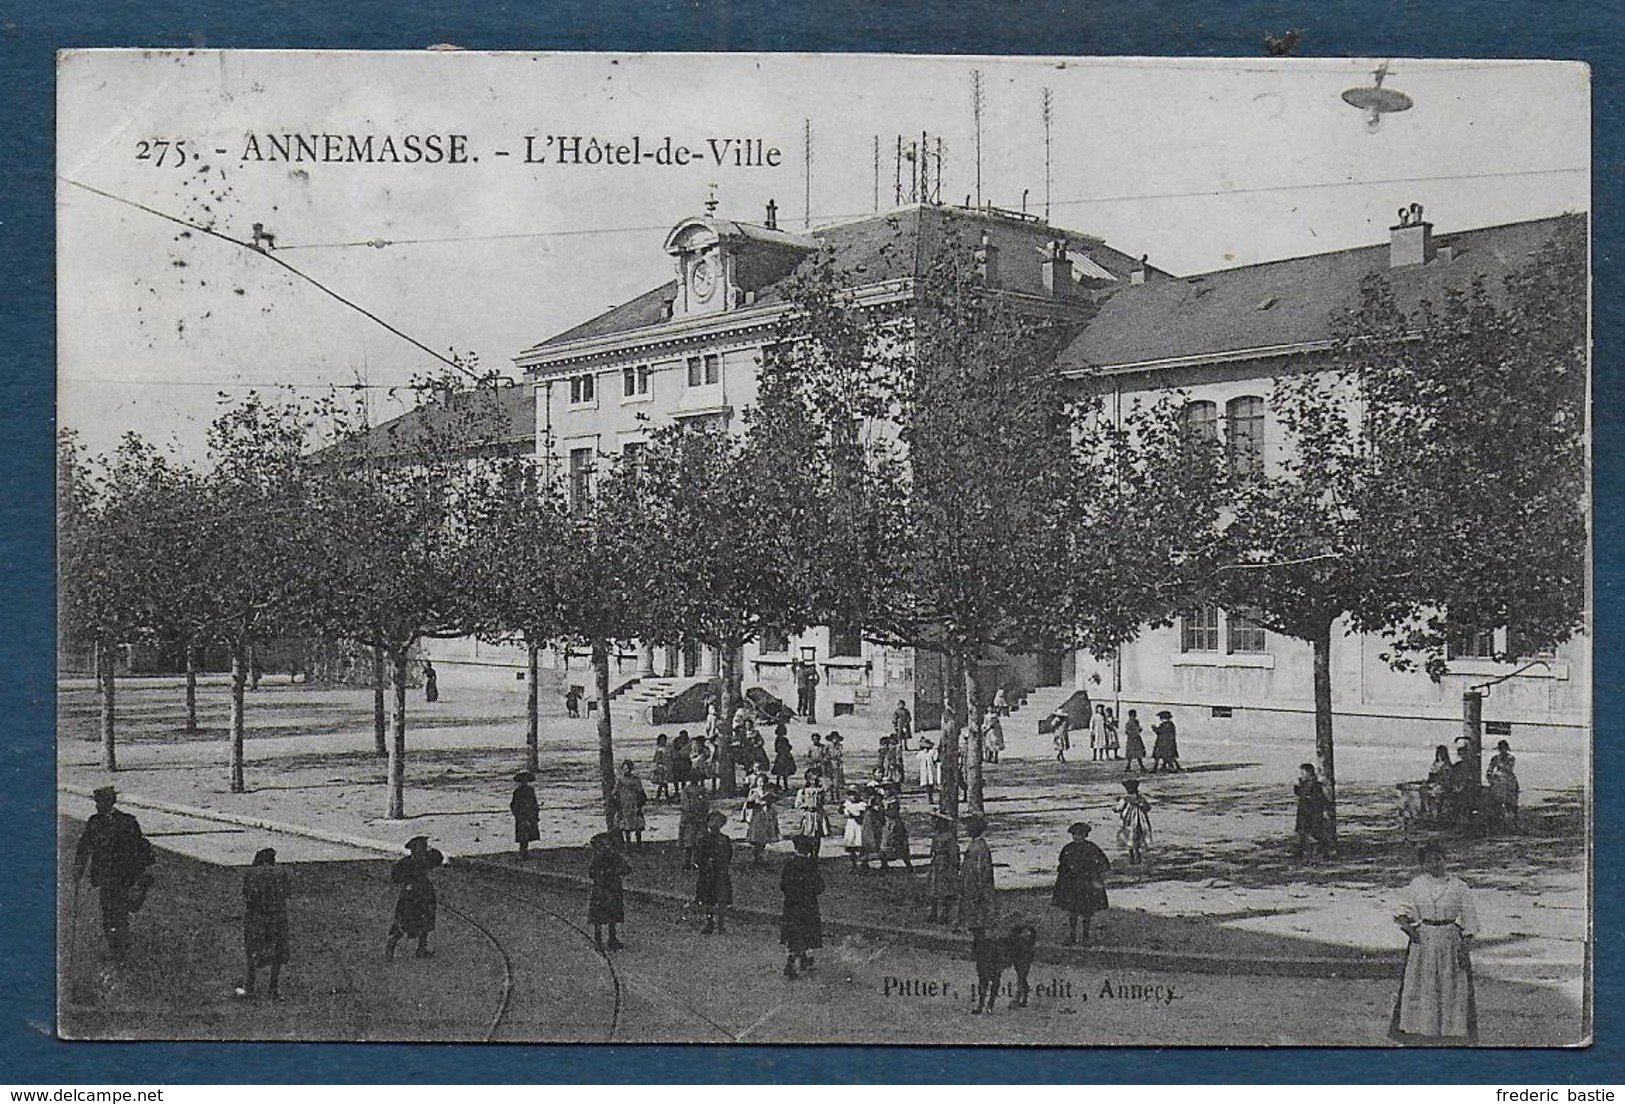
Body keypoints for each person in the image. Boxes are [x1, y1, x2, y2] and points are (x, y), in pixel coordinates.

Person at [1390, 843, 1479, 1044]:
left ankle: (1450, 1029)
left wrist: (1465, 944)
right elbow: (1401, 911)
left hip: (1450, 938)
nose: (1435, 864)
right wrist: (1412, 932)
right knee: (1423, 982)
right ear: (1422, 864)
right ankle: (1421, 1028)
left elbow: (1470, 917)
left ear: (1445, 860)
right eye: (1429, 860)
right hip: (1425, 938)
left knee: (1451, 983)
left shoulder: (1458, 886)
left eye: (1439, 858)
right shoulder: (1417, 885)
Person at [72, 786, 155, 963]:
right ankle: (116, 948)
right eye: (97, 803)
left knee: (117, 913)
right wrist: (78, 868)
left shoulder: (127, 822)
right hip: (105, 876)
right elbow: (84, 846)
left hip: (122, 876)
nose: (97, 806)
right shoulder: (94, 822)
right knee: (109, 913)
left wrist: (136, 872)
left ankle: (119, 951)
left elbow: (139, 848)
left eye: (100, 802)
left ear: (108, 802)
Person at [239, 847, 289, 999]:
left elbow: (247, 893)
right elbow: (287, 892)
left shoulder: (252, 873)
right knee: (277, 954)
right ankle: (273, 989)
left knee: (252, 951)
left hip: (256, 916)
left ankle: (249, 987)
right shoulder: (281, 873)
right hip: (277, 917)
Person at [386, 836, 444, 962]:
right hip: (415, 894)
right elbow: (396, 877)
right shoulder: (412, 862)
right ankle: (395, 944)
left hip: (420, 893)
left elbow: (438, 858)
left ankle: (419, 948)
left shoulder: (413, 861)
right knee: (411, 921)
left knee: (424, 921)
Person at [1051, 823, 1111, 946]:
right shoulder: (1068, 848)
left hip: (1086, 885)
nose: (1077, 837)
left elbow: (1104, 862)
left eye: (1080, 834)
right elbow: (1062, 866)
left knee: (1086, 913)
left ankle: (1085, 937)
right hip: (1072, 885)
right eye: (1075, 834)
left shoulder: (1091, 848)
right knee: (1072, 912)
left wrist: (1096, 874)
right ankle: (1072, 936)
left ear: (1085, 835)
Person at [780, 834, 825, 979]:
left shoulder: (789, 864)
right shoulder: (810, 866)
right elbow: (819, 887)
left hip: (791, 905)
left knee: (794, 933)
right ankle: (792, 963)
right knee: (806, 932)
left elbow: (783, 885)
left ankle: (800, 959)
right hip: (808, 905)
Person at [957, 814, 998, 947]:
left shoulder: (980, 847)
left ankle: (980, 948)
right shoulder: (975, 845)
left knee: (978, 920)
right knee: (973, 919)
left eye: (970, 826)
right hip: (970, 886)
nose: (967, 829)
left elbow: (982, 871)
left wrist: (980, 889)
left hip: (976, 888)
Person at [587, 831, 631, 952]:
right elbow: (626, 869)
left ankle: (600, 940)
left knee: (601, 916)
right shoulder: (614, 856)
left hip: (601, 889)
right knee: (611, 913)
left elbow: (591, 873)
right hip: (611, 887)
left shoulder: (598, 857)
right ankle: (609, 939)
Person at [694, 812, 735, 935]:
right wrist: (706, 863)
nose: (715, 825)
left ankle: (721, 925)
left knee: (722, 900)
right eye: (713, 822)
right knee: (708, 901)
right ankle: (709, 923)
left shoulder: (725, 839)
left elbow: (729, 855)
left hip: (721, 874)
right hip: (707, 874)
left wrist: (721, 863)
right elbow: (698, 857)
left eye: (718, 823)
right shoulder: (703, 840)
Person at [1294, 763, 1334, 859]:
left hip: (1309, 812)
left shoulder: (1313, 784)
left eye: (1302, 773)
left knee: (1310, 832)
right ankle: (1304, 851)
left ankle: (1319, 850)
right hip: (1304, 811)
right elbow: (1299, 793)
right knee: (1303, 831)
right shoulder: (1307, 783)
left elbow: (1308, 795)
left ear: (1308, 773)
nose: (1301, 775)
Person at [926, 810, 960, 924]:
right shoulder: (936, 835)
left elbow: (954, 853)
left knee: (944, 890)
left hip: (945, 864)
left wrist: (954, 865)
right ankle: (932, 913)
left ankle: (943, 915)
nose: (934, 823)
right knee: (933, 889)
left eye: (937, 820)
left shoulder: (949, 837)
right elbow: (932, 850)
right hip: (936, 863)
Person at [743, 768, 782, 865]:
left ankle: (760, 853)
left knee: (765, 836)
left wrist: (770, 802)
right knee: (757, 837)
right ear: (756, 782)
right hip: (757, 816)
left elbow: (773, 802)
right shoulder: (754, 791)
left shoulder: (769, 791)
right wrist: (759, 803)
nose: (761, 784)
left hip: (767, 816)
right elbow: (749, 805)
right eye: (760, 782)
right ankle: (757, 855)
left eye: (763, 782)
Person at [1486, 740, 1521, 831]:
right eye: (1501, 749)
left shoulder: (1510, 758)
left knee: (1512, 804)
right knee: (1496, 803)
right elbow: (1489, 770)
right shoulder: (1495, 758)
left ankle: (1515, 825)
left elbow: (1508, 769)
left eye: (1504, 749)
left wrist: (1499, 769)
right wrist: (1491, 779)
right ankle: (1499, 824)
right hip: (1498, 782)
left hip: (1509, 782)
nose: (1502, 751)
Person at [1115, 779, 1153, 865]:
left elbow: (1119, 808)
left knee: (1130, 837)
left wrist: (1115, 809)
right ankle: (1137, 855)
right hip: (1139, 821)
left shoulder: (1125, 799)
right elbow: (1148, 808)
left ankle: (1132, 856)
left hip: (1129, 821)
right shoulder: (1141, 798)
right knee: (1137, 837)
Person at [614, 760, 648, 851]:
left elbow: (641, 791)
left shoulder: (636, 779)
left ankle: (639, 844)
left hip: (634, 803)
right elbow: (616, 793)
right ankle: (628, 845)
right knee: (626, 826)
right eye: (625, 768)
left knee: (637, 825)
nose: (627, 770)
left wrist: (641, 802)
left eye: (628, 768)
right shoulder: (620, 780)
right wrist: (618, 805)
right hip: (624, 803)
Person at [792, 770, 828, 855]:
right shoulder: (803, 791)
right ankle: (809, 852)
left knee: (817, 835)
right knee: (808, 834)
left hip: (818, 815)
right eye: (811, 780)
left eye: (816, 780)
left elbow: (823, 802)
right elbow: (797, 804)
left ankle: (816, 854)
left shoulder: (820, 791)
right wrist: (806, 805)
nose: (813, 782)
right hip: (808, 815)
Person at [678, 777, 710, 867]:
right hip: (694, 819)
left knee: (693, 842)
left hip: (693, 819)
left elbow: (685, 804)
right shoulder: (691, 790)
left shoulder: (689, 790)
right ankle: (689, 863)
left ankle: (693, 862)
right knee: (693, 842)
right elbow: (706, 804)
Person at [878, 796, 913, 875]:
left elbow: (892, 814)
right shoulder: (883, 801)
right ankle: (884, 865)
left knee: (901, 846)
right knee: (884, 846)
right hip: (887, 825)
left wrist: (883, 810)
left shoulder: (893, 802)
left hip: (895, 825)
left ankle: (909, 866)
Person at [510, 770, 540, 859]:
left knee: (527, 833)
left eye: (525, 780)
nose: (524, 782)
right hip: (522, 814)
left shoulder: (530, 790)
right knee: (523, 834)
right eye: (523, 780)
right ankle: (523, 851)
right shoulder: (517, 792)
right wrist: (517, 814)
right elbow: (514, 804)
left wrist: (535, 812)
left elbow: (534, 802)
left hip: (529, 813)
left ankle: (524, 851)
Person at [1424, 744, 1454, 822]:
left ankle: (1436, 816)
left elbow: (1446, 779)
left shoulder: (1446, 765)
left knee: (1435, 793)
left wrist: (1436, 784)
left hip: (1442, 785)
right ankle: (1427, 812)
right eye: (1439, 753)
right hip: (1433, 784)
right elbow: (1430, 776)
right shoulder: (1435, 763)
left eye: (1442, 753)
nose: (1440, 755)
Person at [841, 787, 868, 870]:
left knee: (860, 843)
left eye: (854, 794)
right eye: (850, 795)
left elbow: (861, 815)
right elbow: (843, 812)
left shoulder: (862, 804)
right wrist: (842, 808)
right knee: (851, 844)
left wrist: (853, 815)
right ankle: (854, 864)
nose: (852, 797)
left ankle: (864, 863)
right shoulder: (847, 803)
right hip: (850, 825)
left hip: (859, 825)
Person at [916, 739, 940, 806]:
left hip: (930, 769)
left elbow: (935, 759)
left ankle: (930, 797)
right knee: (927, 783)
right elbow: (918, 758)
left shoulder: (932, 752)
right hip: (924, 770)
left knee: (930, 783)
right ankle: (929, 797)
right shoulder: (921, 753)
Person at [825, 731, 847, 795]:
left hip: (837, 763)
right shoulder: (828, 746)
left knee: (837, 780)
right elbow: (825, 755)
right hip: (829, 763)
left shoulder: (840, 746)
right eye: (833, 738)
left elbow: (841, 755)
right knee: (830, 779)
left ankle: (837, 795)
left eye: (836, 738)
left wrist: (841, 765)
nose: (834, 739)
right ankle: (831, 795)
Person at [652, 734, 672, 804]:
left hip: (666, 767)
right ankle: (662, 795)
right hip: (661, 767)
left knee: (664, 782)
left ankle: (663, 795)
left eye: (664, 740)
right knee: (662, 783)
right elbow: (656, 759)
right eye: (662, 740)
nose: (663, 742)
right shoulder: (659, 749)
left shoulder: (667, 748)